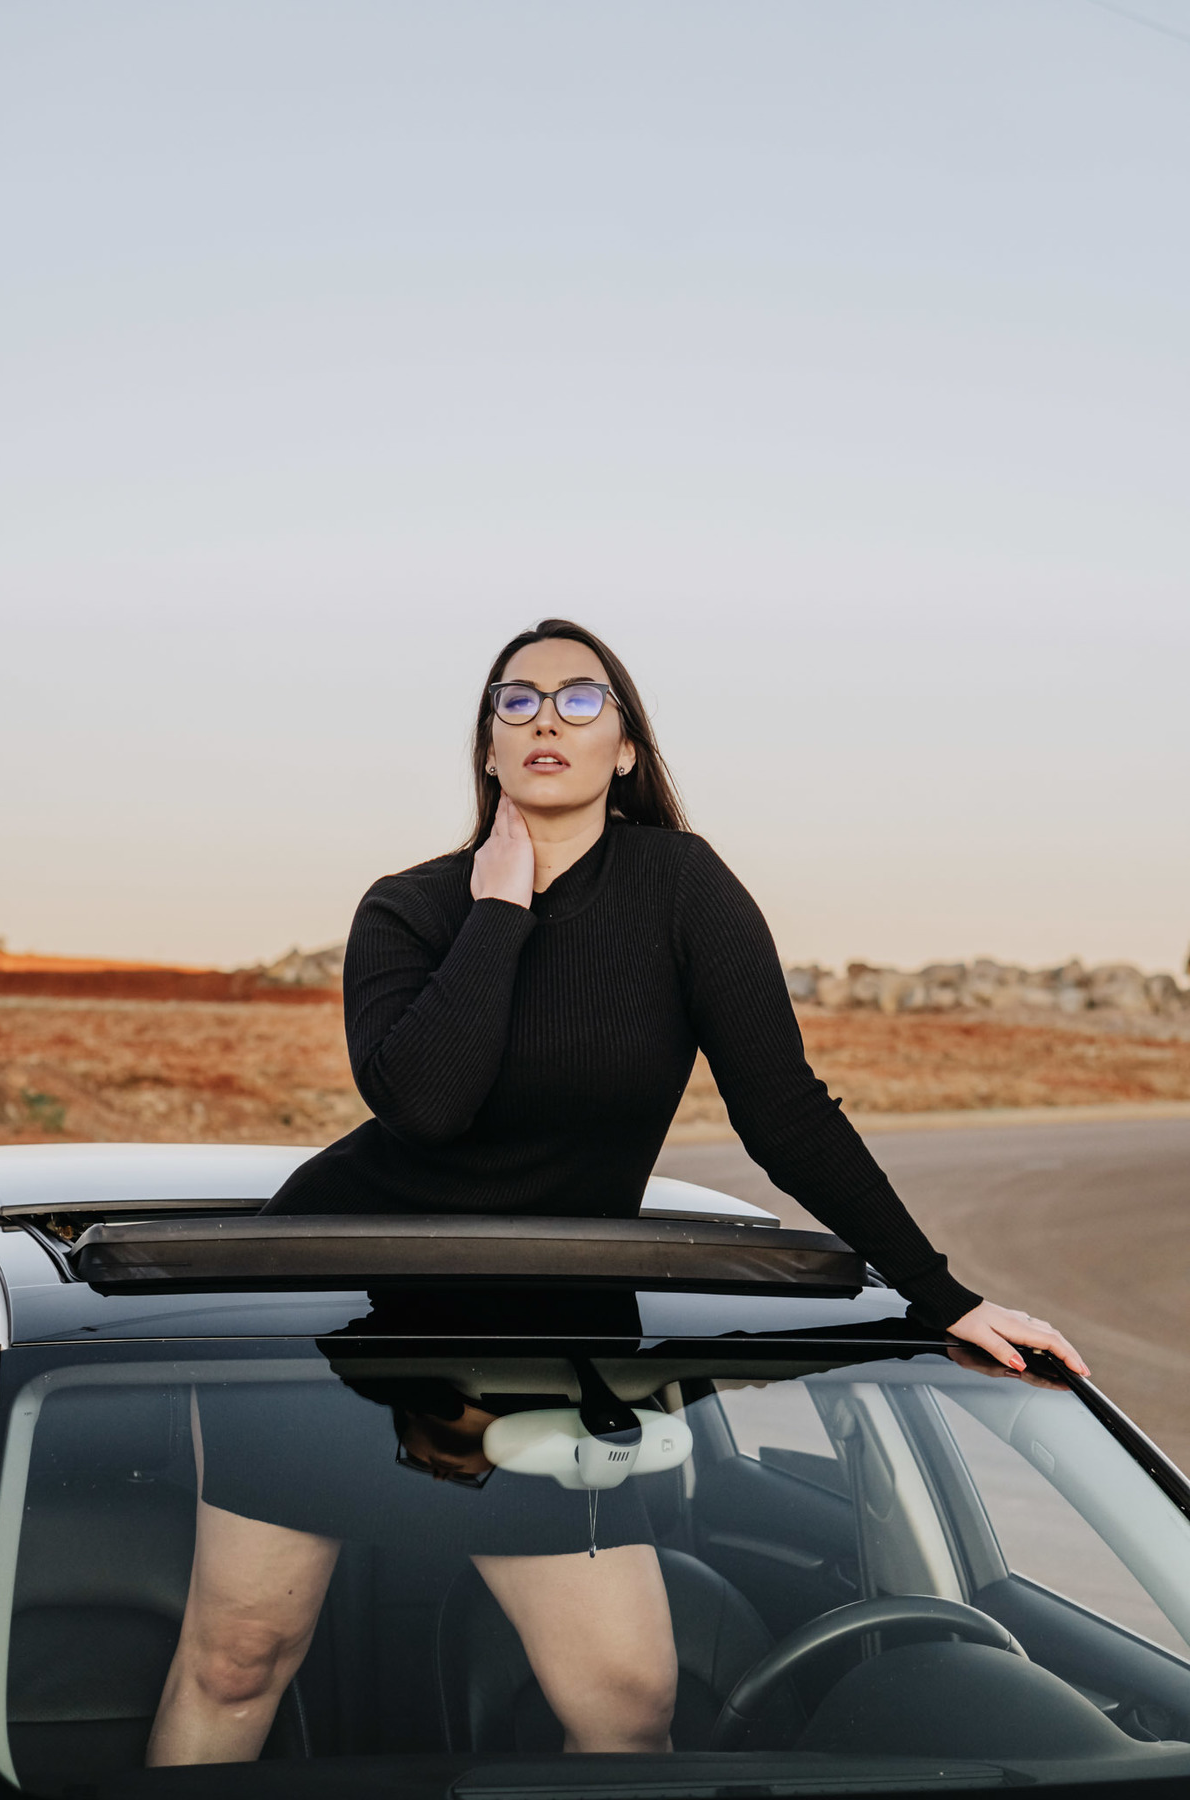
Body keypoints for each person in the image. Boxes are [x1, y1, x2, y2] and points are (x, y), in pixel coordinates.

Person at [148, 618, 1087, 1766]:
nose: (548, 718)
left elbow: (784, 1109)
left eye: (581, 700)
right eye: (517, 701)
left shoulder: (681, 890)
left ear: (627, 749)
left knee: (630, 1693)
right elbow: (427, 1107)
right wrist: (499, 911)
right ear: (487, 749)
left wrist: (943, 1295)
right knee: (239, 1655)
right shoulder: (410, 907)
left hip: (541, 1342)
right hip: (336, 1324)